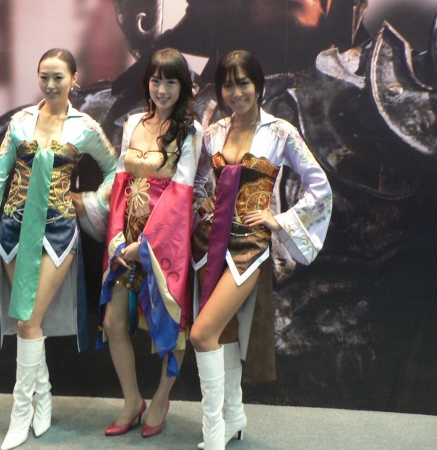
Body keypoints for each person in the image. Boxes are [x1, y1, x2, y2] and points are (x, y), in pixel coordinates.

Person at [0, 48, 117, 450]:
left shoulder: (85, 127)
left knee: (27, 321)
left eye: (58, 77)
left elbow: (116, 169)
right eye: (44, 77)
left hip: (58, 232)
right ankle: (45, 395)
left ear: (74, 79)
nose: (50, 85)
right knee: (28, 323)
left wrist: (88, 201)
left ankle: (20, 413)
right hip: (14, 230)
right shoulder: (20, 121)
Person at [190, 50, 332, 449]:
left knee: (202, 334)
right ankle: (233, 416)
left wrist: (279, 219)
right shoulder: (213, 132)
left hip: (248, 249)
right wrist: (202, 200)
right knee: (224, 334)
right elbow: (198, 181)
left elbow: (319, 186)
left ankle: (212, 434)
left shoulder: (281, 132)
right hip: (209, 244)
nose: (235, 93)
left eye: (243, 83)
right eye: (227, 85)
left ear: (258, 85)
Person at [97, 47, 203, 438]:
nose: (162, 89)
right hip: (124, 241)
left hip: (165, 243)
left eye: (171, 81)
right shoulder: (132, 123)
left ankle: (160, 399)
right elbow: (120, 185)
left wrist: (144, 244)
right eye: (156, 80)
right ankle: (132, 400)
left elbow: (180, 195)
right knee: (113, 321)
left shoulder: (191, 131)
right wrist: (117, 241)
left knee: (173, 325)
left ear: (183, 86)